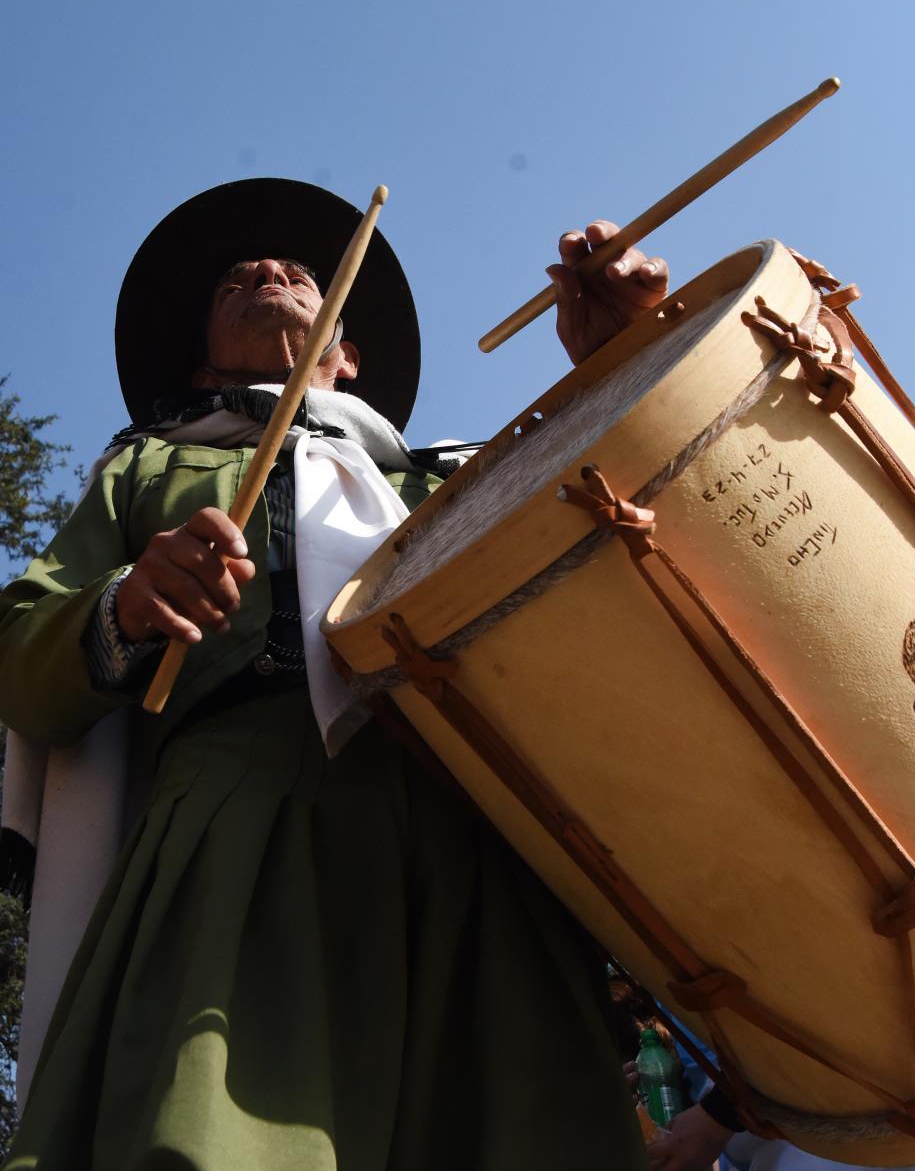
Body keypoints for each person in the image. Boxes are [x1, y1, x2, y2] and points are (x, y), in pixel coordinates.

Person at [0, 178, 670, 1171]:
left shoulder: (464, 475)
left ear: (346, 357)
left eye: (296, 272)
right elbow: (21, 652)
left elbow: (636, 582)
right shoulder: (143, 471)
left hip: (481, 821)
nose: (266, 271)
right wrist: (129, 603)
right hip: (238, 814)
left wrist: (626, 366)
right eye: (235, 280)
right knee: (206, 1138)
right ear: (203, 363)